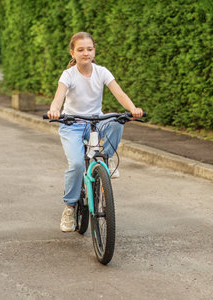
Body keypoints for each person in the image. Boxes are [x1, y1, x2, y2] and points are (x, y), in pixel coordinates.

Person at [47, 32, 143, 232]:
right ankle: (70, 207)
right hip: (71, 123)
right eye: (80, 50)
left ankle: (106, 161)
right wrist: (55, 109)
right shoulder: (69, 75)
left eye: (89, 49)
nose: (85, 53)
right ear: (72, 52)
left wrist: (132, 109)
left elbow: (119, 93)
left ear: (94, 51)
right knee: (76, 164)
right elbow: (59, 96)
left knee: (117, 121)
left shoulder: (102, 72)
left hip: (95, 121)